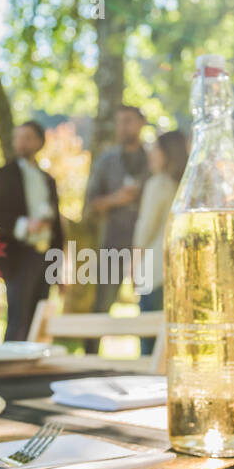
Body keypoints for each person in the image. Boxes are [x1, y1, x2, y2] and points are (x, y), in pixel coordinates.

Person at [0, 122, 65, 342]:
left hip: (45, 255)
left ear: (39, 142)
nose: (21, 142)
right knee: (18, 318)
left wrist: (58, 266)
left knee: (40, 318)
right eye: (18, 137)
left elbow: (58, 226)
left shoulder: (47, 179)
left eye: (27, 137)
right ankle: (11, 367)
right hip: (18, 255)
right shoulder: (4, 174)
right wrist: (23, 224)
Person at [84, 104, 148, 320]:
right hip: (113, 241)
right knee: (101, 305)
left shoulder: (153, 159)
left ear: (141, 123)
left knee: (150, 304)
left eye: (128, 121)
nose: (123, 127)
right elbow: (91, 203)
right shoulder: (106, 161)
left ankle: (152, 353)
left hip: (148, 242)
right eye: (119, 122)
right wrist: (116, 199)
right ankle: (91, 354)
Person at [132, 130, 188, 352]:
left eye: (155, 148)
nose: (151, 154)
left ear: (166, 153)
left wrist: (135, 265)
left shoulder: (158, 184)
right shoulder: (186, 187)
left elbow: (145, 229)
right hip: (179, 270)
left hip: (154, 270)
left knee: (150, 339)